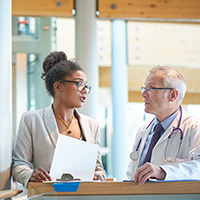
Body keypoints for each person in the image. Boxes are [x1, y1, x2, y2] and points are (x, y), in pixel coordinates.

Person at [12, 51, 106, 188]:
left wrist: (98, 177)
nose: (85, 90)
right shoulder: (31, 120)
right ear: (58, 87)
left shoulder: (92, 125)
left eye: (86, 85)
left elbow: (99, 170)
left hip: (82, 197)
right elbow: (19, 165)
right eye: (79, 84)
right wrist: (30, 174)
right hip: (47, 195)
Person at [127, 65, 200, 185]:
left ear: (172, 95)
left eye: (151, 88)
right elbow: (131, 174)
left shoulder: (195, 128)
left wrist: (163, 172)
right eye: (144, 88)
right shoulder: (143, 130)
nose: (143, 94)